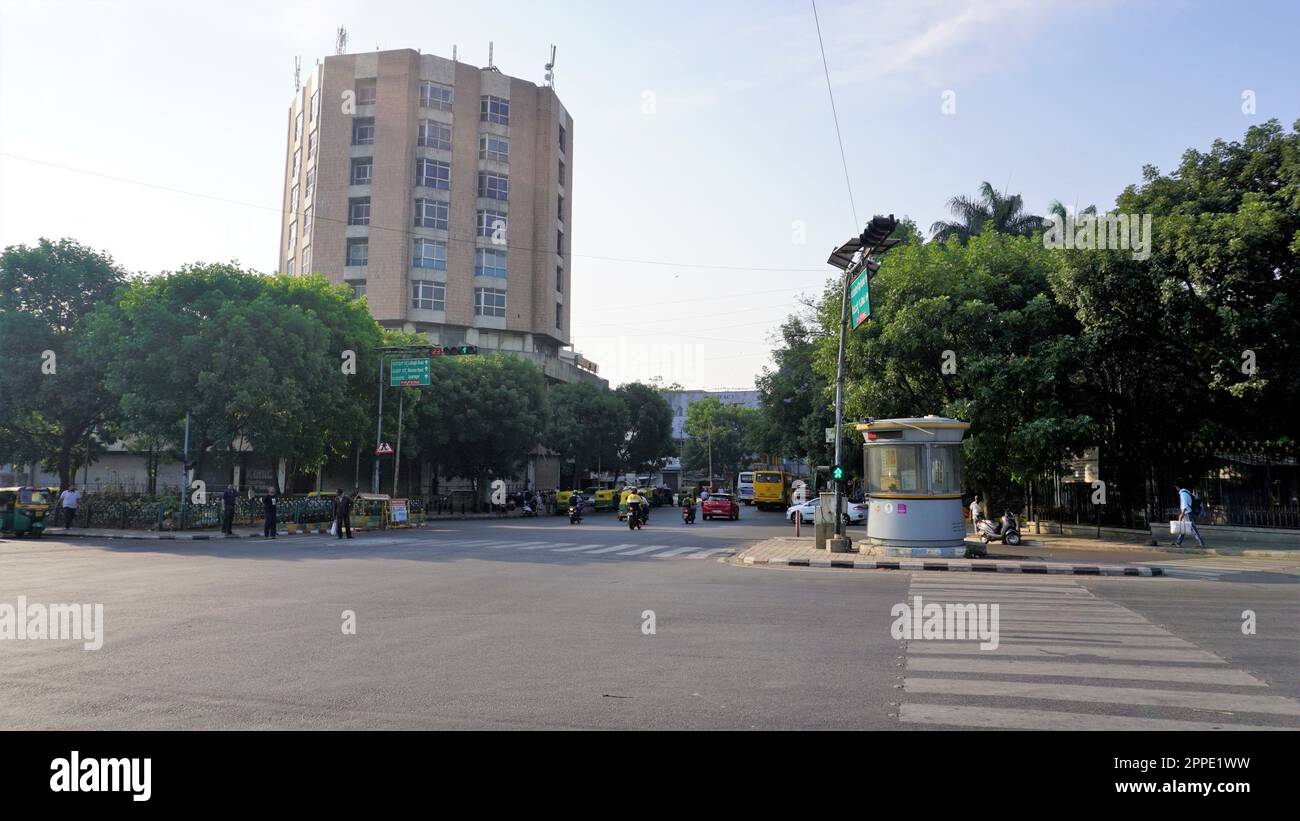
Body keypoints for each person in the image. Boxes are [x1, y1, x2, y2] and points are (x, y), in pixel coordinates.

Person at [1172, 482, 1206, 548]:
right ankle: (1178, 542)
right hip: (1188, 512)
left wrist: (1182, 513)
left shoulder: (1183, 494)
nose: (1176, 488)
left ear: (1178, 487)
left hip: (1186, 513)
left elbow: (1184, 504)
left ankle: (1201, 543)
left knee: (1193, 528)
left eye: (1176, 487)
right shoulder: (1187, 492)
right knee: (1183, 527)